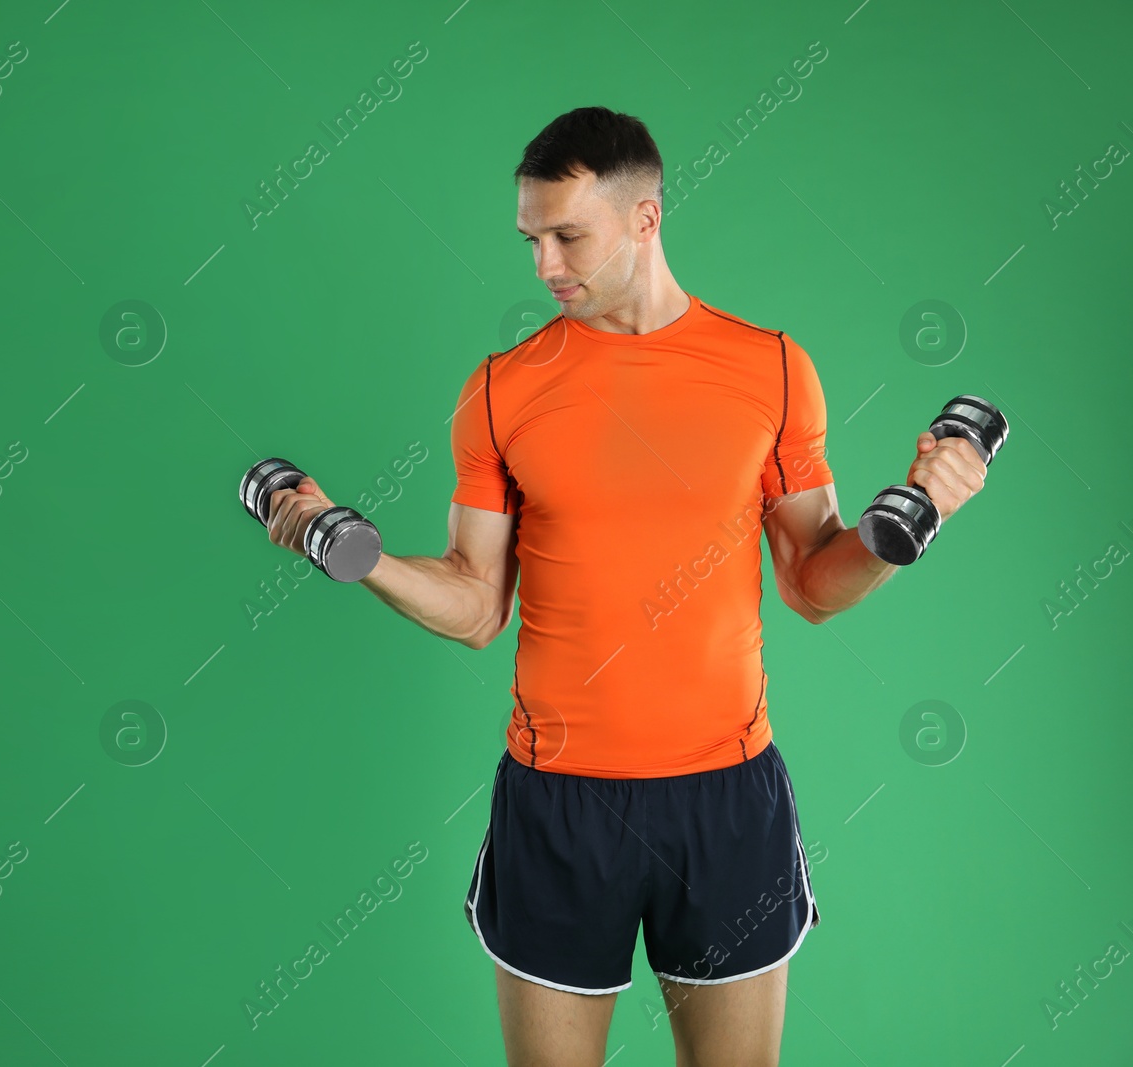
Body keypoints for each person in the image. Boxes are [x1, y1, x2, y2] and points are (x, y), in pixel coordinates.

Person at [261, 106, 988, 1067]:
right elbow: (479, 603)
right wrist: (351, 550)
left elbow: (813, 580)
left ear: (645, 218)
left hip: (725, 799)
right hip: (558, 804)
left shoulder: (770, 369)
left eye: (568, 236)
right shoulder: (501, 390)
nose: (544, 266)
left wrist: (915, 526)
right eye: (530, 239)